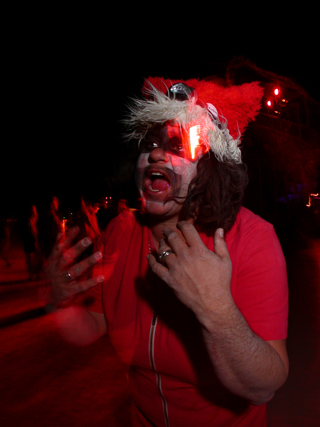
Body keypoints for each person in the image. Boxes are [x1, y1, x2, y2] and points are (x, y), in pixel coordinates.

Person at [46, 78, 289, 426]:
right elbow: (93, 325)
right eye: (152, 144)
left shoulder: (253, 240)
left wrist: (217, 310)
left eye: (179, 146)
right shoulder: (121, 232)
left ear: (211, 169)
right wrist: (59, 302)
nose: (157, 153)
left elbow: (263, 388)